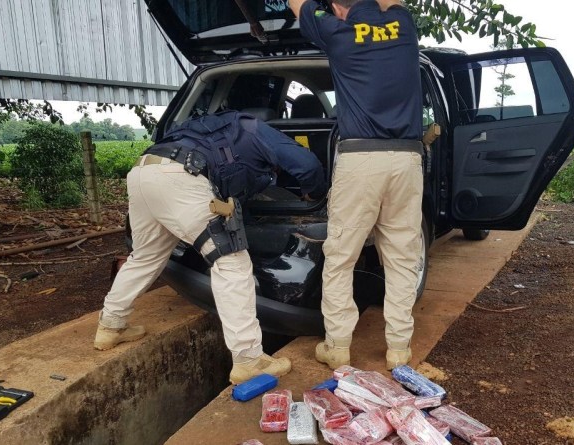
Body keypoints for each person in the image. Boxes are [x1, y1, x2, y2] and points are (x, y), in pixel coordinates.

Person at [94, 110, 326, 384]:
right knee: (230, 261)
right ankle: (249, 360)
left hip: (143, 172)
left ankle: (110, 325)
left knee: (145, 256)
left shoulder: (209, 127)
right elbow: (307, 164)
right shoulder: (255, 128)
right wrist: (315, 193)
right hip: (181, 176)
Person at [289, 0, 424, 371]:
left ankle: (338, 346)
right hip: (407, 160)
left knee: (341, 257)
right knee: (401, 258)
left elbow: (296, 2)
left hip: (360, 159)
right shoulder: (403, 24)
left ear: (336, 8)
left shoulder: (335, 31)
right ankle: (398, 349)